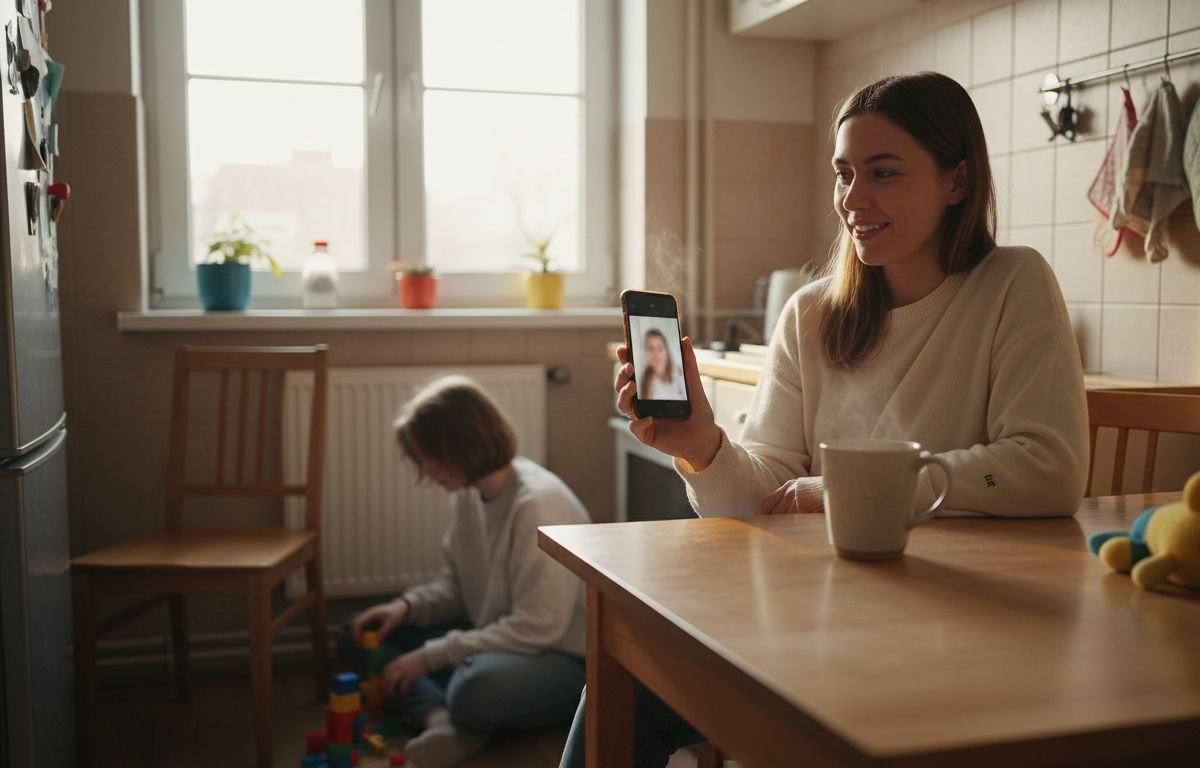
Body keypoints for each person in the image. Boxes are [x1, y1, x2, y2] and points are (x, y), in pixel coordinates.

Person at [561, 71, 1089, 766]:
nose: (853, 200)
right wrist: (702, 446)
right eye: (843, 175)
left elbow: (1047, 470)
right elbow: (764, 499)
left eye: (883, 173)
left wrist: (838, 491)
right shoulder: (810, 314)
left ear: (957, 181)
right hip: (822, 612)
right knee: (617, 681)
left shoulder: (1012, 284)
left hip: (961, 622)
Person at [338, 376, 590, 768]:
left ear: (463, 443)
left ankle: (450, 708)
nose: (426, 470)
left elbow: (538, 627)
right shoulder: (470, 493)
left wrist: (430, 656)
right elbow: (458, 588)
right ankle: (443, 718)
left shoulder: (538, 505)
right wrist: (406, 608)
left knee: (475, 689)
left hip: (558, 658)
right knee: (358, 632)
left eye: (431, 456)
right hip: (497, 638)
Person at [638, 327, 688, 401]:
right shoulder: (645, 381)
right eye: (651, 348)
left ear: (666, 351)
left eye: (660, 348)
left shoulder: (677, 374)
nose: (656, 353)